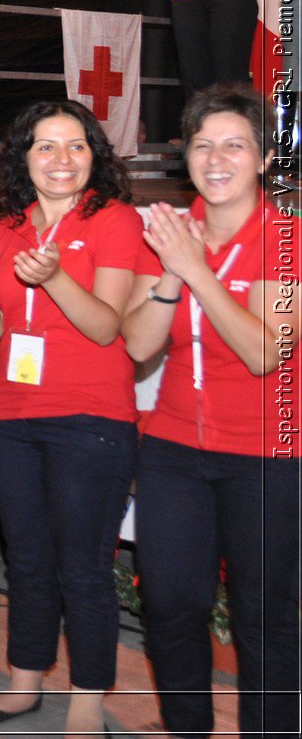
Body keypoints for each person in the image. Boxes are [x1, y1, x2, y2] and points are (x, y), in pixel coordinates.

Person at [0, 100, 142, 735]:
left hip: (91, 417)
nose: (63, 160)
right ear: (24, 157)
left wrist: (53, 278)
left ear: (95, 156)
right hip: (12, 414)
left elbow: (107, 327)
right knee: (26, 558)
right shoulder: (4, 226)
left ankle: (86, 701)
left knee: (82, 564)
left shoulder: (114, 220)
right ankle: (24, 681)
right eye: (47, 147)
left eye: (77, 146)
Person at [122, 83, 300, 739]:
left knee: (263, 615)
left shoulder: (285, 237)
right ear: (185, 155)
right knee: (169, 602)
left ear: (261, 159)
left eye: (235, 144)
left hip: (267, 453)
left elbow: (263, 352)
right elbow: (139, 344)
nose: (216, 158)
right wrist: (172, 270)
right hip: (174, 448)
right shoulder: (168, 231)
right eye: (202, 144)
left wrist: (195, 269)